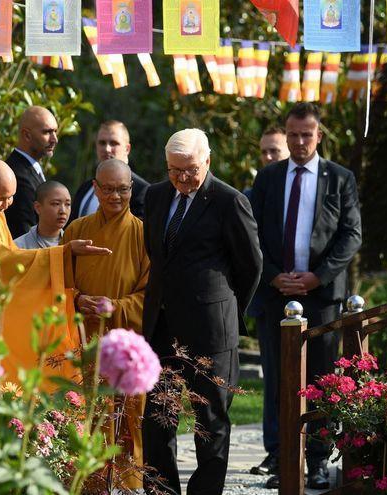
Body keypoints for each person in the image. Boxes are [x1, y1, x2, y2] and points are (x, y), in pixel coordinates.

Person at [141, 129, 262, 495]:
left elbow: (251, 265)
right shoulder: (156, 195)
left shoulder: (229, 201)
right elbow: (157, 255)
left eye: (189, 170)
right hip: (161, 325)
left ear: (207, 161)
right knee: (157, 420)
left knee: (209, 422)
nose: (181, 178)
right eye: (173, 170)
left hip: (210, 329)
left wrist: (223, 308)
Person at [250, 102, 362, 490]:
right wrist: (274, 277)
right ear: (286, 133)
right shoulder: (268, 178)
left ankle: (316, 461)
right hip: (275, 293)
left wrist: (317, 277)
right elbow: (253, 236)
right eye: (293, 134)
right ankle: (283, 460)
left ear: (319, 135)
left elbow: (351, 235)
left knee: (320, 380)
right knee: (280, 382)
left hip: (321, 298)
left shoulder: (339, 178)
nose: (299, 142)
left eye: (306, 134)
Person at [0, 159, 111, 378]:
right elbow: (2, 262)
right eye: (0, 199)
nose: (6, 205)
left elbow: (12, 257)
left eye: (10, 197)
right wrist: (63, 254)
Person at [62, 159, 150, 490]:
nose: (116, 196)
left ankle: (129, 484)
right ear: (95, 188)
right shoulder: (75, 232)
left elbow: (150, 294)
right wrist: (77, 299)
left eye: (123, 189)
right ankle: (89, 483)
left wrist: (118, 306)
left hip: (126, 342)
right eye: (109, 189)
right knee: (87, 415)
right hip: (85, 341)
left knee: (128, 420)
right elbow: (58, 285)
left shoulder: (144, 233)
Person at [247, 125, 289, 479]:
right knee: (273, 380)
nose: (268, 158)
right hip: (269, 298)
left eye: (275, 151)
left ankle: (312, 454)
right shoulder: (253, 192)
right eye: (264, 152)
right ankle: (275, 451)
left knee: (307, 379)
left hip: (311, 298)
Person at [69, 121, 149, 222]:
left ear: (127, 149)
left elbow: (139, 234)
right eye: (102, 143)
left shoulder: (143, 191)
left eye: (113, 143)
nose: (107, 149)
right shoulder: (85, 188)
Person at [4, 106, 58, 239]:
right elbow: (25, 236)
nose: (54, 139)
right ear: (27, 135)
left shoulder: (30, 169)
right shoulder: (17, 176)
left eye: (55, 132)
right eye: (47, 132)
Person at [14, 181, 70, 249]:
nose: (63, 211)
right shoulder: (19, 247)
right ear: (38, 207)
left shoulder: (73, 245)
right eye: (56, 204)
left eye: (67, 204)